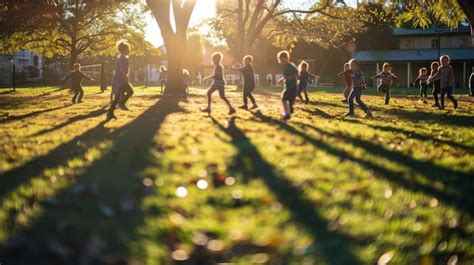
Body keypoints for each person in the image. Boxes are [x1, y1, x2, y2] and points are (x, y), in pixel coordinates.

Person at [107, 40, 134, 120]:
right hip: (120, 80)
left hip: (120, 79)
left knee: (118, 97)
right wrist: (125, 76)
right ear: (124, 50)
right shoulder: (122, 58)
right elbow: (122, 69)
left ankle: (110, 113)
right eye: (128, 49)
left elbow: (125, 68)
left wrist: (126, 75)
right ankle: (121, 103)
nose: (129, 51)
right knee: (130, 91)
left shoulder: (123, 58)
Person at [277, 50, 298, 120]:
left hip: (291, 86)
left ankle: (287, 113)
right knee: (287, 99)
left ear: (287, 58)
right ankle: (288, 111)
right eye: (281, 60)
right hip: (288, 86)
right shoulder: (285, 66)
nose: (282, 62)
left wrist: (291, 77)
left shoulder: (290, 65)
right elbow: (286, 76)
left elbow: (296, 72)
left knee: (284, 98)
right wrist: (281, 79)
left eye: (284, 60)